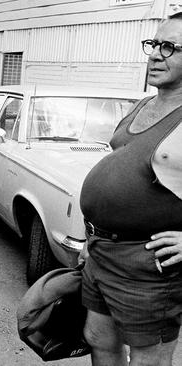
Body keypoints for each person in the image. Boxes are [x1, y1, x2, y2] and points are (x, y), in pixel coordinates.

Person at [78, 13, 182, 366]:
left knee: (147, 358)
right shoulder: (144, 104)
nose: (155, 54)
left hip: (147, 265)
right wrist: (92, 236)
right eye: (154, 44)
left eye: (170, 47)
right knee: (99, 339)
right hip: (101, 251)